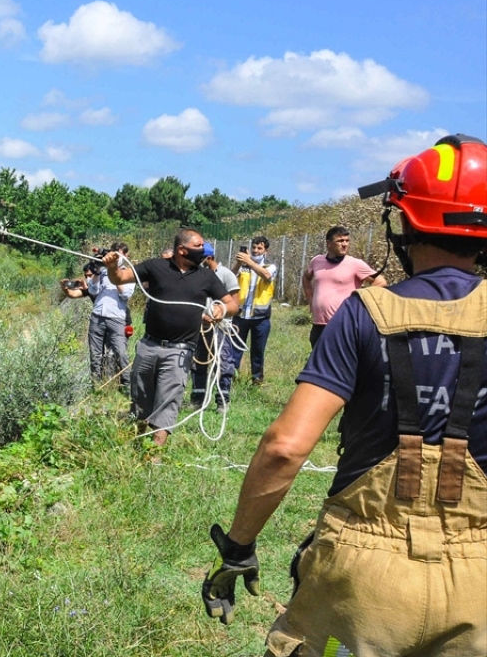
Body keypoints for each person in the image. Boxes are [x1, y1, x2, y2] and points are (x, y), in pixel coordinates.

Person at [202, 134, 487, 657]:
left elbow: (286, 447)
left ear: (401, 222)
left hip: (362, 577)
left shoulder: (363, 313)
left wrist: (240, 546)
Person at [105, 230, 237, 448]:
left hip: (180, 351)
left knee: (168, 401)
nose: (203, 250)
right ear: (182, 249)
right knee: (140, 398)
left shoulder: (206, 276)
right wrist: (111, 267)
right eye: (199, 245)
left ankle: (154, 455)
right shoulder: (155, 267)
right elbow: (119, 277)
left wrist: (220, 309)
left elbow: (232, 304)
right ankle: (138, 441)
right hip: (149, 346)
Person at [302, 225, 387, 347]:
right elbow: (306, 278)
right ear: (329, 243)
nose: (345, 244)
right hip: (319, 325)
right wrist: (311, 300)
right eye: (340, 241)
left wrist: (360, 303)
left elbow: (380, 282)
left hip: (343, 325)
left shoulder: (355, 264)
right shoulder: (317, 261)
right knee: (318, 364)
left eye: (347, 241)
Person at [192, 242, 240, 409]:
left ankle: (222, 401)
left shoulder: (226, 275)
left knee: (223, 362)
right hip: (201, 326)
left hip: (221, 327)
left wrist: (220, 314)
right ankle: (197, 400)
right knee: (198, 362)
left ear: (209, 258)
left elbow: (235, 303)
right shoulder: (197, 275)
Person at [227, 237, 278, 386]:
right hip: (240, 315)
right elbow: (230, 277)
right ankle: (231, 377)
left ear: (266, 251)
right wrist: (238, 263)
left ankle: (257, 380)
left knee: (257, 351)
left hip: (260, 318)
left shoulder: (270, 266)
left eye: (259, 248)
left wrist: (250, 262)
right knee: (234, 348)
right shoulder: (243, 266)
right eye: (254, 247)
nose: (256, 251)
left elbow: (266, 275)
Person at [87, 242, 135, 389]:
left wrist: (115, 275)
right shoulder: (102, 272)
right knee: (95, 354)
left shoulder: (129, 273)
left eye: (119, 254)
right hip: (98, 315)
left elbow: (126, 294)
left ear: (126, 256)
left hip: (116, 317)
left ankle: (126, 384)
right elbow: (93, 291)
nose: (116, 257)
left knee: (120, 352)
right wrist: (96, 270)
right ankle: (97, 385)